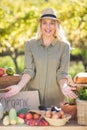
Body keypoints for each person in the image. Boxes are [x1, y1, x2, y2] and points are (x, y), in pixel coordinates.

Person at [3, 8, 77, 107]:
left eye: (52, 23)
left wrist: (64, 86)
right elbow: (29, 71)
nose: (48, 27)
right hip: (32, 97)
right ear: (40, 25)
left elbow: (62, 73)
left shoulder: (64, 47)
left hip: (55, 99)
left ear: (56, 26)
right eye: (44, 23)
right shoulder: (30, 44)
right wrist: (18, 87)